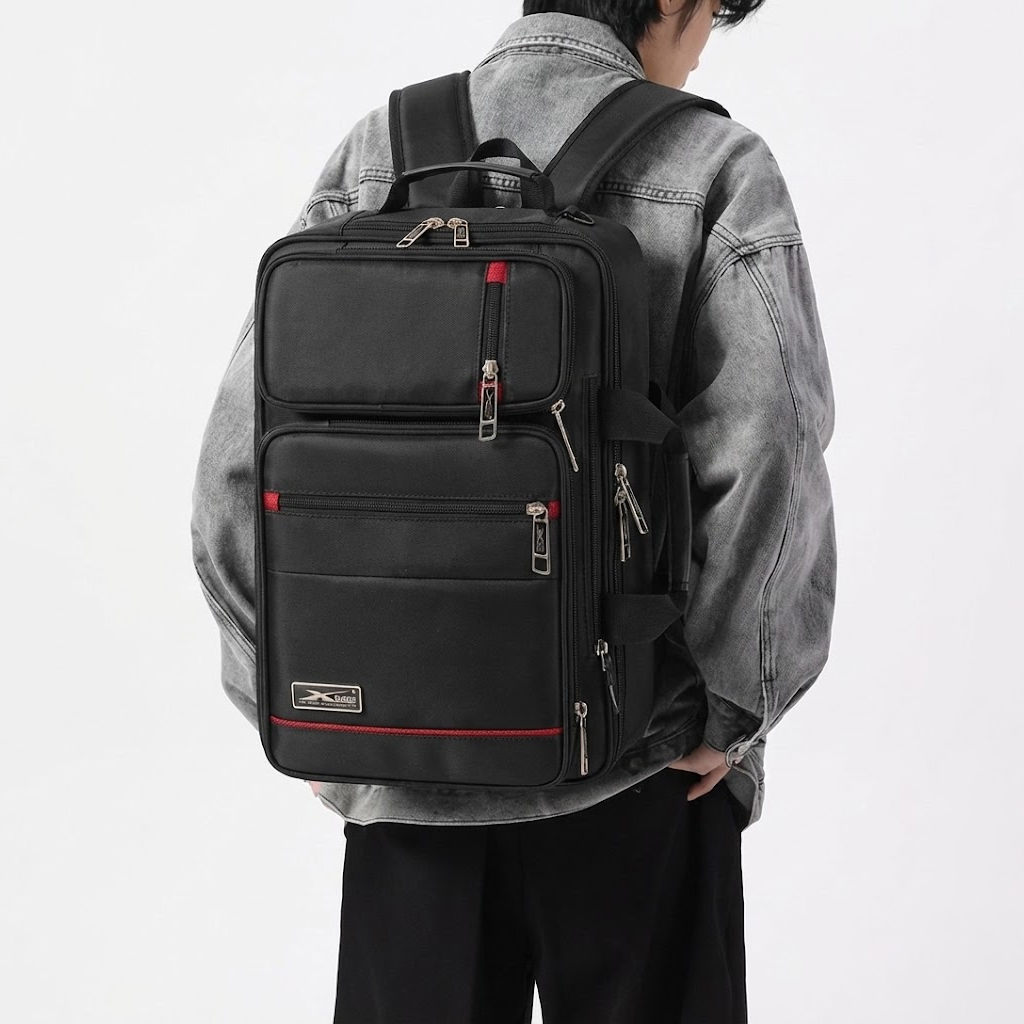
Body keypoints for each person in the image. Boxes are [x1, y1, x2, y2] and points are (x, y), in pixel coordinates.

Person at [190, 1, 837, 1020]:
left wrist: (304, 710)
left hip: (403, 763)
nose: (703, 41)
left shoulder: (379, 153)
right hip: (637, 763)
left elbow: (237, 467)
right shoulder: (712, 163)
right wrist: (731, 710)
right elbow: (770, 452)